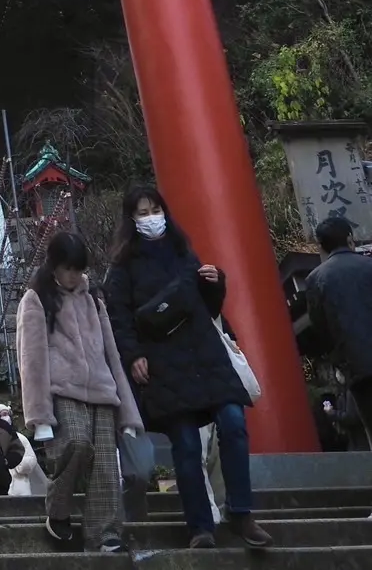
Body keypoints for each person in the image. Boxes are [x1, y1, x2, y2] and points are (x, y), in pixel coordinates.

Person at [104, 186, 271, 551]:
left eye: (155, 209)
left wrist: (215, 283)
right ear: (131, 220)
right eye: (142, 212)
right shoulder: (122, 266)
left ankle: (241, 512)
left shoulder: (183, 249)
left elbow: (206, 305)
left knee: (234, 422)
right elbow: (118, 317)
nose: (150, 217)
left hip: (205, 353)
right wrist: (133, 356)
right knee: (185, 444)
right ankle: (200, 526)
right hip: (163, 360)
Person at [17, 231, 141, 553]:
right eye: (68, 268)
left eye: (78, 268)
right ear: (54, 266)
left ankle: (105, 534)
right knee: (76, 444)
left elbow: (111, 353)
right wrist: (38, 414)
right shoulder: (37, 298)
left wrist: (127, 411)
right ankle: (58, 511)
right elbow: (31, 357)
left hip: (101, 389)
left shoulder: (93, 300)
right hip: (61, 389)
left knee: (104, 465)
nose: (74, 275)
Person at [305, 215, 372, 442]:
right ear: (350, 238)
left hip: (356, 365)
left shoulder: (316, 279)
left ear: (321, 246)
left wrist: (337, 359)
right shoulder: (368, 265)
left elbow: (320, 326)